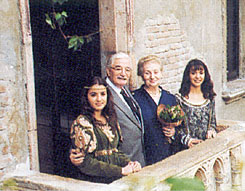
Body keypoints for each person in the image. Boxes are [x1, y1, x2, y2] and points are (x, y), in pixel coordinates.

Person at [69, 76, 141, 183]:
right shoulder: (82, 123)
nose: (99, 99)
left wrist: (129, 163)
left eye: (103, 94)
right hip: (94, 182)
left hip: (116, 179)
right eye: (93, 95)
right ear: (86, 97)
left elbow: (115, 151)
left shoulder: (111, 118)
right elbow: (85, 163)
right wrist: (120, 170)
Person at [133, 55, 182, 166]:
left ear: (161, 73)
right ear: (141, 75)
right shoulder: (135, 99)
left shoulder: (170, 98)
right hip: (147, 155)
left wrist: (173, 132)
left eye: (156, 72)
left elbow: (181, 127)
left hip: (169, 153)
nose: (152, 77)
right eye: (147, 73)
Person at [105, 52, 146, 167]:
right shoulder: (103, 95)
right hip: (121, 164)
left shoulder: (125, 90)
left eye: (127, 70)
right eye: (118, 69)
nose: (123, 74)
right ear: (108, 71)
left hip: (137, 159)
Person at [176, 59, 217, 148]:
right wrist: (187, 140)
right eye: (193, 73)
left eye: (201, 73)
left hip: (206, 146)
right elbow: (176, 128)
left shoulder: (209, 98)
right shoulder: (179, 99)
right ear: (188, 75)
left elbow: (213, 123)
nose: (198, 77)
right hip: (187, 148)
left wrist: (211, 130)